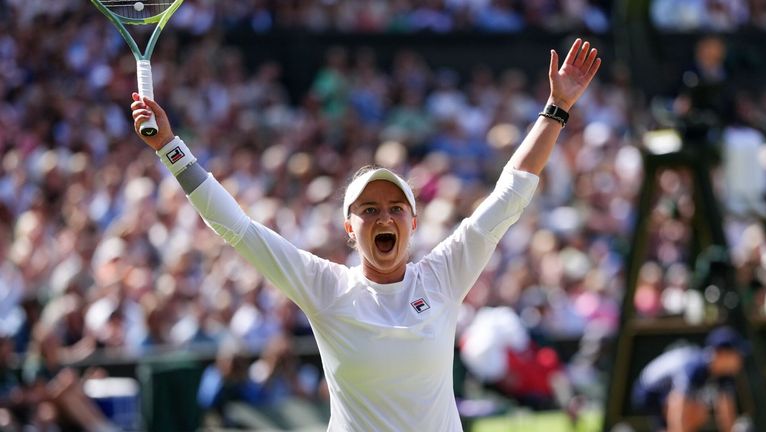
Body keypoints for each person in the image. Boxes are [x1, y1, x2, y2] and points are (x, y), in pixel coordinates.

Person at [130, 38, 601, 431]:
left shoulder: (442, 275)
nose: (384, 218)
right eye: (369, 210)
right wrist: (171, 148)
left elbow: (510, 194)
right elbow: (237, 228)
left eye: (397, 208)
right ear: (348, 229)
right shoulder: (326, 286)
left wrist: (557, 108)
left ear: (413, 224)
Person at [631, 326, 748, 432]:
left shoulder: (724, 374)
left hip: (667, 395)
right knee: (695, 410)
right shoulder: (695, 365)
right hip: (648, 392)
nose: (741, 360)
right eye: (737, 354)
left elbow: (726, 411)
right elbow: (677, 403)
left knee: (700, 411)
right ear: (722, 353)